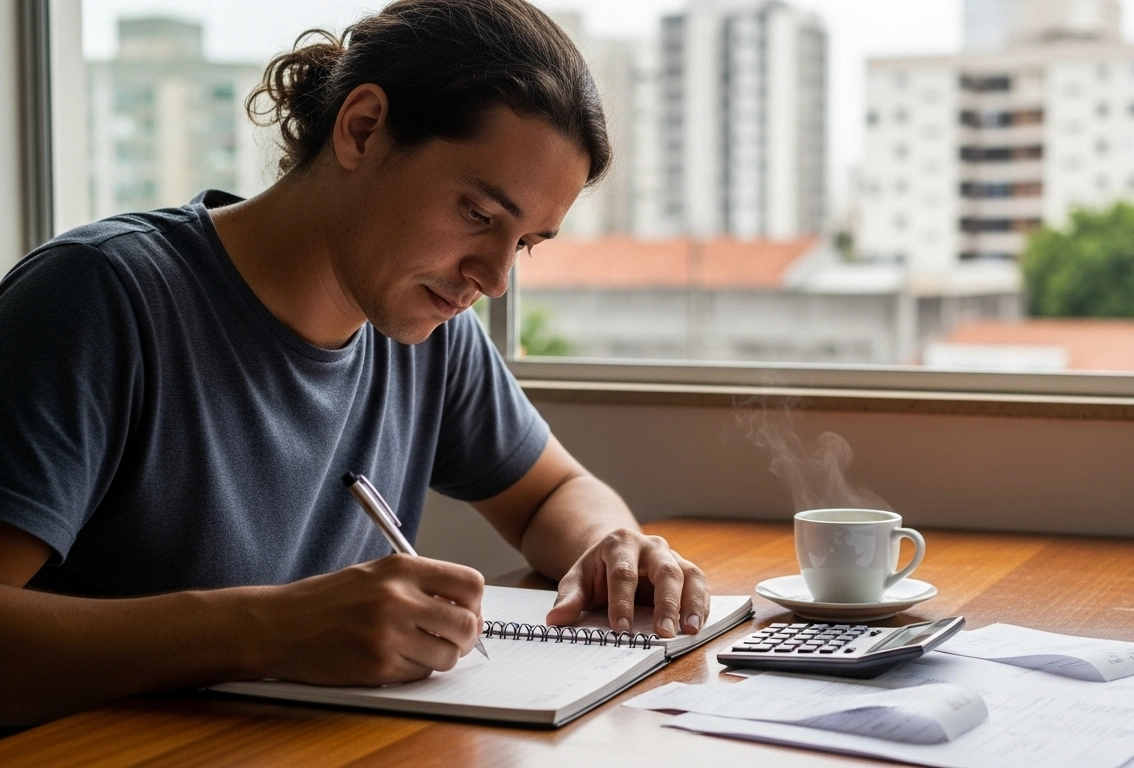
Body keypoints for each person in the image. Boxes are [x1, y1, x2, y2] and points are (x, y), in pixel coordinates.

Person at [0, 0, 708, 726]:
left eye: (525, 242)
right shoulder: (97, 299)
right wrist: (266, 629)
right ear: (362, 128)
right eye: (478, 214)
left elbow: (550, 492)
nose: (494, 279)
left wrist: (609, 546)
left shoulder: (428, 330)